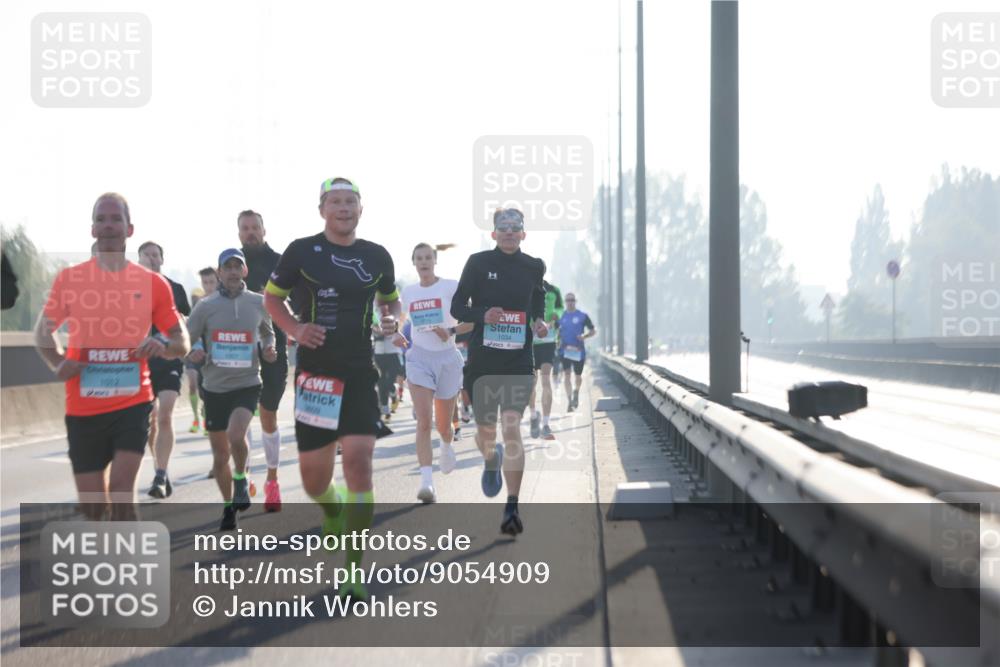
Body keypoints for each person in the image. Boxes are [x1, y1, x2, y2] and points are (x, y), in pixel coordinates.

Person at [264, 177, 399, 603]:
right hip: (316, 374)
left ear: (361, 209)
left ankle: (353, 573)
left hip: (360, 369)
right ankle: (332, 508)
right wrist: (295, 329)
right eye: (335, 201)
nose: (344, 208)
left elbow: (390, 300)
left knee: (359, 464)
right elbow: (271, 299)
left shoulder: (376, 255)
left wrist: (391, 318)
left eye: (351, 201)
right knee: (313, 478)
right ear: (322, 209)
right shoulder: (302, 250)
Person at [34, 193, 189, 520]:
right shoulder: (71, 280)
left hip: (132, 403)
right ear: (92, 229)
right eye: (101, 219)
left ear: (129, 229)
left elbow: (182, 340)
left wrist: (164, 346)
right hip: (82, 405)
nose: (108, 225)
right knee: (93, 507)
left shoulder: (152, 284)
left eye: (115, 219)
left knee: (121, 489)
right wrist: (58, 362)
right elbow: (42, 333)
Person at [451, 208, 547, 536]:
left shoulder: (534, 266)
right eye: (502, 227)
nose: (508, 231)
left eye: (515, 227)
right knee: (486, 432)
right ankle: (491, 459)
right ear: (493, 233)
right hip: (483, 362)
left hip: (519, 360)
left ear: (523, 233)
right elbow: (457, 307)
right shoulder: (478, 263)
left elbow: (538, 300)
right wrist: (482, 314)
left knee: (511, 426)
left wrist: (538, 320)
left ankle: (512, 505)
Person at [186, 249, 276, 530]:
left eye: (238, 267)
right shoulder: (205, 305)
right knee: (219, 454)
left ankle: (240, 479)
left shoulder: (258, 302)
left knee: (237, 434)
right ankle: (228, 507)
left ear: (245, 271)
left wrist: (269, 347)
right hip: (214, 386)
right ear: (219, 273)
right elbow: (189, 338)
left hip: (247, 382)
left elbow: (267, 331)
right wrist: (196, 351)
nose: (234, 272)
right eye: (228, 267)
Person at [396, 243, 473, 503]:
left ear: (435, 260)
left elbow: (473, 320)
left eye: (428, 257)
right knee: (423, 420)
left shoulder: (451, 287)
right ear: (414, 262)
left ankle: (447, 444)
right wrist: (396, 332)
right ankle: (427, 483)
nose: (424, 262)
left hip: (448, 358)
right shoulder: (408, 291)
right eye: (419, 258)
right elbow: (400, 319)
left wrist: (450, 331)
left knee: (443, 425)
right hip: (418, 358)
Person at [238, 209, 289, 512]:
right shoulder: (232, 264)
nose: (251, 232)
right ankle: (242, 477)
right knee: (240, 416)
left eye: (255, 227)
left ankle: (272, 481)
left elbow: (293, 298)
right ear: (239, 232)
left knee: (267, 414)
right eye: (245, 228)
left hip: (274, 348)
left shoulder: (279, 262)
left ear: (264, 230)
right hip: (237, 351)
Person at [137, 241, 192, 499]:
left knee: (165, 415)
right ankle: (162, 468)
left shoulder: (175, 289)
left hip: (169, 359)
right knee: (150, 420)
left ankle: (160, 474)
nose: (151, 258)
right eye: (145, 255)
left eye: (155, 254)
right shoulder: (129, 288)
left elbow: (187, 324)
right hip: (141, 363)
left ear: (162, 259)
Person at [528, 280, 563, 439]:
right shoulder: (527, 287)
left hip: (548, 341)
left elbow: (561, 309)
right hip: (530, 341)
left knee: (546, 380)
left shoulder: (554, 290)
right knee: (532, 383)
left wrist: (557, 314)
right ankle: (534, 415)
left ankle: (546, 424)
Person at [186, 267, 219, 434]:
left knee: (207, 389)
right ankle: (196, 418)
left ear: (218, 282)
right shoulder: (199, 303)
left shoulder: (223, 302)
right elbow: (190, 329)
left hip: (213, 353)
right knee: (194, 385)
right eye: (205, 282)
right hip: (195, 350)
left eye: (212, 282)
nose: (208, 286)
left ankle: (207, 417)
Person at [558, 293, 596, 411]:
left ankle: (576, 391)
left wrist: (584, 336)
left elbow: (593, 330)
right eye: (568, 300)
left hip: (578, 351)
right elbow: (556, 331)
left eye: (572, 300)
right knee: (567, 375)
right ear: (565, 302)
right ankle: (570, 402)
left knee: (578, 376)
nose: (570, 302)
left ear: (575, 301)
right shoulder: (561, 316)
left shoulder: (582, 316)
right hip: (565, 350)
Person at [373, 305, 403, 423]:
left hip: (393, 354)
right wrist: (376, 330)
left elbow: (395, 331)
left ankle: (393, 392)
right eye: (381, 308)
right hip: (379, 354)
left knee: (389, 381)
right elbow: (375, 334)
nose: (383, 309)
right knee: (381, 383)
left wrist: (383, 331)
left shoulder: (395, 318)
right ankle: (386, 411)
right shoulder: (375, 319)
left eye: (386, 307)